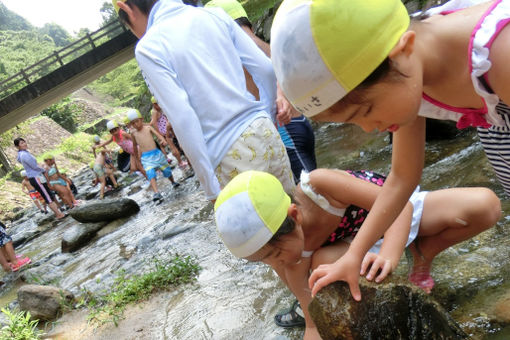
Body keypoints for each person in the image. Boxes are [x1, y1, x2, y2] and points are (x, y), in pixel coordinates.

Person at [270, 0, 510, 301]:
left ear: (403, 49)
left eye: (365, 110)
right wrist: (353, 255)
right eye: (352, 121)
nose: (369, 128)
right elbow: (402, 178)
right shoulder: (409, 70)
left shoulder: (499, 54)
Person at [214, 170, 500, 339]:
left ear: (294, 215)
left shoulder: (321, 187)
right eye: (263, 259)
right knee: (321, 269)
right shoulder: (289, 258)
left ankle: (423, 252)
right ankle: (404, 262)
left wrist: (391, 252)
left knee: (486, 206)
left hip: (393, 217)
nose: (276, 263)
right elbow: (313, 325)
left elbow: (401, 208)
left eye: (275, 252)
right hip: (353, 248)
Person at [112, 0, 294, 201]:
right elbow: (265, 69)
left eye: (129, 27)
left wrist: (209, 185)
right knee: (295, 218)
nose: (135, 33)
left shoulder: (149, 47)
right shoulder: (214, 15)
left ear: (126, 7)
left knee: (268, 231)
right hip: (264, 130)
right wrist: (268, 115)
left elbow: (183, 117)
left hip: (228, 151)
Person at [204, 0, 317, 183]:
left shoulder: (240, 56)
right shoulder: (266, 46)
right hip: (299, 123)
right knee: (314, 190)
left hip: (283, 132)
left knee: (310, 197)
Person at [126, 108, 179, 201]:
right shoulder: (134, 134)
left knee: (166, 170)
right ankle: (156, 193)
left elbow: (158, 135)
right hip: (146, 157)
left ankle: (173, 181)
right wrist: (137, 158)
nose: (136, 124)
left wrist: (162, 140)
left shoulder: (148, 128)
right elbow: (134, 146)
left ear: (141, 119)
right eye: (133, 123)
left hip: (156, 154)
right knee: (150, 172)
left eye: (137, 121)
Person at [14, 138, 66, 219]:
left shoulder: (22, 154)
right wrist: (43, 169)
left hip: (35, 177)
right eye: (21, 143)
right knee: (47, 196)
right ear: (17, 146)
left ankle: (58, 212)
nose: (24, 144)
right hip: (36, 177)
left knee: (48, 194)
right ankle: (58, 214)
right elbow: (34, 166)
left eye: (24, 142)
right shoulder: (24, 155)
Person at [149, 96, 189, 170]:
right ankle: (180, 162)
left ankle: (182, 160)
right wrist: (159, 134)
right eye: (156, 104)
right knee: (173, 146)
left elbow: (152, 122)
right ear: (153, 104)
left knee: (176, 143)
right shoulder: (155, 112)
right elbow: (154, 123)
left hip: (167, 129)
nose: (158, 105)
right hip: (164, 131)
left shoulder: (158, 110)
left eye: (159, 103)